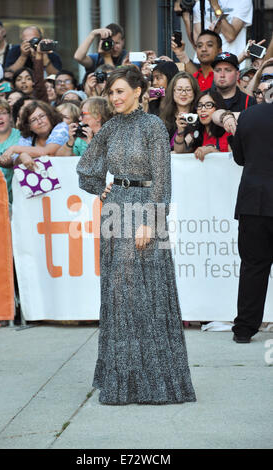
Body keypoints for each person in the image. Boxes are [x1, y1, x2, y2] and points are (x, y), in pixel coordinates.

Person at [76, 65, 196, 405]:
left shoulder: (153, 126)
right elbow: (85, 169)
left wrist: (152, 220)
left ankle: (156, 381)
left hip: (145, 209)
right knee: (119, 295)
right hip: (115, 209)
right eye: (111, 92)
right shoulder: (111, 128)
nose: (114, 98)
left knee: (150, 294)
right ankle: (121, 381)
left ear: (138, 92)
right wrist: (101, 188)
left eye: (120, 92)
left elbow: (162, 178)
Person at [228, 82, 273, 343]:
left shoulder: (248, 116)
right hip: (255, 202)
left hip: (254, 204)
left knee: (253, 267)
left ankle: (244, 330)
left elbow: (240, 158)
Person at [1, 100, 69, 170]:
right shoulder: (28, 137)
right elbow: (15, 162)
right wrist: (22, 155)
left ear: (50, 116)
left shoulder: (61, 127)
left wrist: (15, 148)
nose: (40, 121)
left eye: (42, 116)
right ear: (29, 127)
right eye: (33, 120)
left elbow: (47, 151)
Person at [173, 89, 231, 158]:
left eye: (208, 105)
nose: (203, 109)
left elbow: (235, 163)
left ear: (218, 108)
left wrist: (212, 151)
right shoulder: (196, 133)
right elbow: (178, 151)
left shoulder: (229, 131)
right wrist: (180, 131)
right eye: (199, 105)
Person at [188, 0, 253, 62]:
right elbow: (197, 41)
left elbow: (230, 36)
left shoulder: (243, 1)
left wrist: (216, 6)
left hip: (232, 61)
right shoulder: (199, 5)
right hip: (204, 63)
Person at [159, 71, 200, 148]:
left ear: (194, 92)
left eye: (188, 90)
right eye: (179, 89)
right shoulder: (163, 118)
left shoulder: (200, 117)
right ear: (173, 92)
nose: (183, 93)